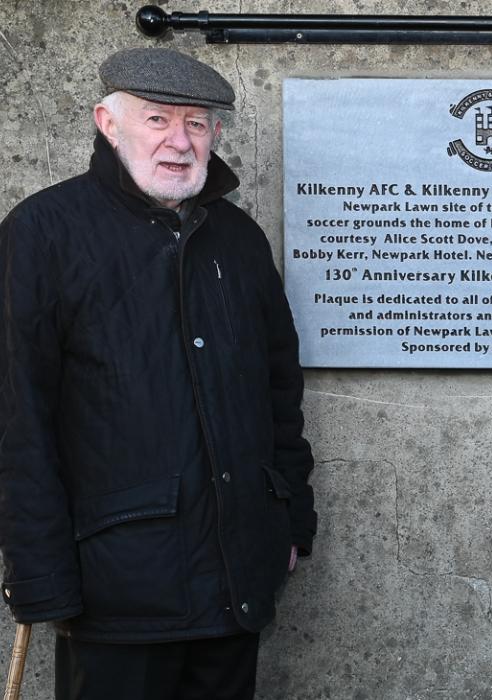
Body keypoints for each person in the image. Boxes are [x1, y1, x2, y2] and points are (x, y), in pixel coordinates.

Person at [0, 48, 317, 699]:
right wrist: (39, 575)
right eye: (157, 120)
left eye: (197, 123)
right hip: (116, 595)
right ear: (108, 124)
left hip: (236, 587)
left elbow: (279, 391)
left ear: (216, 134)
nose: (179, 141)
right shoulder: (43, 233)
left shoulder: (236, 239)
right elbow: (16, 415)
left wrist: (289, 523)